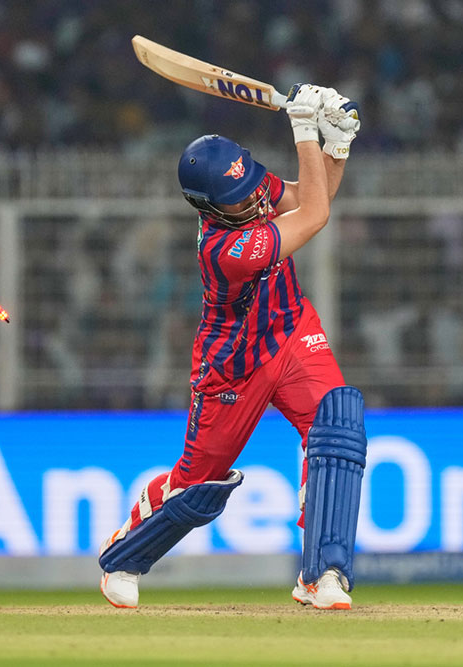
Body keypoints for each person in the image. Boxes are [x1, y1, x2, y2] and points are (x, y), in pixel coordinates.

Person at [98, 85, 368, 610]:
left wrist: (335, 143)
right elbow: (314, 216)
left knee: (338, 423)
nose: (253, 199)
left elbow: (308, 198)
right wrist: (308, 131)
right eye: (238, 199)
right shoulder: (225, 250)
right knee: (199, 485)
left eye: (249, 185)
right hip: (232, 369)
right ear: (206, 207)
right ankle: (124, 556)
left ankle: (324, 574)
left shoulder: (245, 184)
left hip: (291, 332)